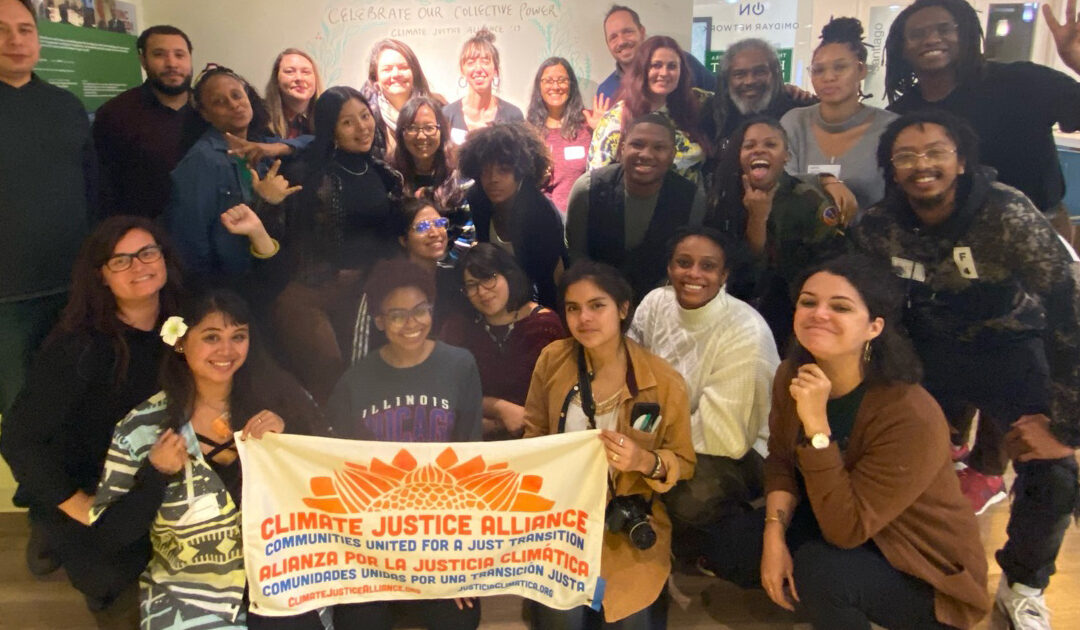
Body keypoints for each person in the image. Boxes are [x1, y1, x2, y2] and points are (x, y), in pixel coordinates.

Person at [851, 110, 1080, 629]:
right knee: (880, 447)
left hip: (1010, 347)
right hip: (924, 351)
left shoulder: (1006, 214)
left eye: (935, 152)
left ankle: (1024, 585)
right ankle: (902, 560)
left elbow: (1069, 305)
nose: (921, 164)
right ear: (892, 168)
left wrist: (1067, 427)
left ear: (961, 161)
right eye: (906, 156)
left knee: (1054, 471)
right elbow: (867, 303)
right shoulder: (880, 225)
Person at [708, 254, 989, 629]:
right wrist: (774, 537)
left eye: (840, 307)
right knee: (732, 544)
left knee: (822, 572)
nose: (819, 314)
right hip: (840, 515)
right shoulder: (793, 373)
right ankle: (830, 596)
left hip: (920, 561)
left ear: (874, 327)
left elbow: (846, 530)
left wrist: (816, 426)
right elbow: (780, 462)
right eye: (808, 302)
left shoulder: (909, 413)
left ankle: (844, 598)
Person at [89, 289, 323, 630]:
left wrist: (290, 442)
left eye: (238, 337)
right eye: (211, 337)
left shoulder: (286, 402)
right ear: (181, 343)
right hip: (189, 596)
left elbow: (336, 486)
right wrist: (156, 474)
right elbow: (109, 536)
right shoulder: (142, 427)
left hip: (285, 581)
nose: (226, 350)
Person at [1, 217, 182, 618]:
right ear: (101, 275)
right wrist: (77, 505)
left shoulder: (182, 323)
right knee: (128, 596)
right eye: (121, 260)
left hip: (159, 480)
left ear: (164, 258)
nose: (139, 266)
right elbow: (19, 439)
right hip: (97, 489)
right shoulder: (77, 348)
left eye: (147, 253)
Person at [523, 260, 695, 628]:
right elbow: (533, 434)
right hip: (561, 522)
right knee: (562, 618)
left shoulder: (663, 381)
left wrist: (644, 461)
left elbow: (684, 461)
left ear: (623, 308)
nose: (584, 318)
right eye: (573, 308)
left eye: (597, 305)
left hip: (625, 527)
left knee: (627, 615)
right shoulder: (553, 360)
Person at [327, 257, 483, 630]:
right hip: (373, 542)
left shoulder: (460, 365)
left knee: (459, 618)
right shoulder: (355, 380)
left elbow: (471, 458)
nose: (411, 323)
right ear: (379, 321)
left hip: (441, 536)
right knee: (359, 621)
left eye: (420, 310)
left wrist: (460, 559)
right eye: (397, 315)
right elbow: (339, 469)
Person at [629, 227, 778, 558]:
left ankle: (716, 544)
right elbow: (634, 373)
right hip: (666, 429)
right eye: (684, 262)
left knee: (687, 497)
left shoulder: (745, 332)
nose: (693, 274)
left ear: (724, 275)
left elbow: (726, 436)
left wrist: (648, 455)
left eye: (708, 266)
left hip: (742, 449)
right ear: (670, 267)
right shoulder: (655, 303)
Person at [884, 0, 1080, 241]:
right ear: (902, 48)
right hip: (943, 238)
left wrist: (1077, 62)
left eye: (944, 29)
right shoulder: (900, 115)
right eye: (917, 34)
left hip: (1037, 232)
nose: (932, 39)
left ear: (965, 34)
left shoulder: (1023, 82)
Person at [271, 86, 403, 403]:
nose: (362, 127)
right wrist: (268, 203)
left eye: (364, 116)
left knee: (362, 379)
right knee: (330, 381)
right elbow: (289, 236)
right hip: (311, 296)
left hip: (362, 292)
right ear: (331, 130)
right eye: (347, 122)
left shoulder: (381, 171)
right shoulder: (309, 175)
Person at [0, 0, 94, 416]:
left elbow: (92, 188)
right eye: (2, 30)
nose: (15, 40)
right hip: (9, 296)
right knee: (23, 407)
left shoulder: (66, 106)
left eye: (25, 30)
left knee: (79, 392)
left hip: (73, 282)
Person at [707, 117, 848, 350]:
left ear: (786, 156)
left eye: (770, 144)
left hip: (793, 313)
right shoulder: (724, 197)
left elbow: (829, 269)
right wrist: (757, 218)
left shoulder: (810, 202)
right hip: (734, 307)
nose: (759, 150)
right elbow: (741, 270)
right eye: (749, 145)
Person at [165, 64, 299, 280]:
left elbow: (312, 142)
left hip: (267, 265)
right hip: (230, 281)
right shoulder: (202, 161)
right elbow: (189, 242)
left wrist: (275, 148)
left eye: (237, 95)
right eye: (219, 102)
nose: (234, 105)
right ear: (205, 114)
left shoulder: (258, 144)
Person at [569, 113, 706, 303]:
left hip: (662, 303)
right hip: (596, 301)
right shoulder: (587, 189)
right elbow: (577, 256)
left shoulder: (691, 199)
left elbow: (686, 264)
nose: (646, 154)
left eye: (659, 148)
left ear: (672, 155)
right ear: (622, 148)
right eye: (637, 144)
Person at [441, 244, 566, 440]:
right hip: (475, 440)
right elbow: (446, 392)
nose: (482, 292)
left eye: (488, 278)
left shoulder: (544, 326)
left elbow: (560, 395)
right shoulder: (459, 328)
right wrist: (499, 409)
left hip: (536, 440)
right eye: (471, 285)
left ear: (508, 275)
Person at [781, 18, 897, 212]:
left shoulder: (890, 127)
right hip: (803, 229)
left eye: (840, 67)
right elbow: (781, 180)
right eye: (818, 70)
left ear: (861, 70)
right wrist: (824, 181)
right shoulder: (794, 122)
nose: (828, 77)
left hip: (871, 230)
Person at [457, 122, 566, 308]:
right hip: (496, 293)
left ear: (521, 171)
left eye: (503, 170)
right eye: (485, 171)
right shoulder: (478, 197)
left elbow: (546, 280)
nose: (493, 179)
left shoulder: (540, 212)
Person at [93, 25, 193, 219]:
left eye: (179, 55)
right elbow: (101, 187)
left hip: (210, 229)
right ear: (143, 60)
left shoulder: (209, 110)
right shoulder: (115, 114)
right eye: (159, 54)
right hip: (145, 230)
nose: (172, 63)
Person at [588, 35, 706, 181]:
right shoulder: (616, 119)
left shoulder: (694, 106)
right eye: (656, 65)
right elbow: (596, 181)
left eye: (672, 66)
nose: (664, 73)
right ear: (642, 69)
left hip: (691, 195)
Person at [704, 38, 815, 151]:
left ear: (774, 73)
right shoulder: (714, 113)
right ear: (727, 78)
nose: (750, 81)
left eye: (760, 72)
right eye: (739, 74)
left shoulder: (798, 107)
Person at [596, 5, 717, 104]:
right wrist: (600, 125)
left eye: (627, 32)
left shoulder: (682, 63)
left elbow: (720, 101)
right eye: (613, 37)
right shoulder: (605, 92)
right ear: (607, 43)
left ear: (642, 32)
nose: (621, 41)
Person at [526, 57, 599, 215]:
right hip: (542, 216)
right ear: (539, 86)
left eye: (562, 80)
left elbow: (605, 168)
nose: (556, 86)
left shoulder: (588, 123)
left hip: (582, 215)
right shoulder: (529, 130)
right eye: (548, 81)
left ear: (571, 84)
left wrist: (600, 132)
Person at [361, 38, 443, 156]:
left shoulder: (438, 108)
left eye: (403, 67)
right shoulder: (366, 117)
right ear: (375, 78)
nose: (396, 74)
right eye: (387, 69)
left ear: (414, 72)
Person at [442, 28, 524, 144]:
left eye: (485, 62)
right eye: (471, 63)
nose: (478, 69)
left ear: (495, 70)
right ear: (462, 70)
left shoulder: (513, 116)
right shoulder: (447, 115)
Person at [263, 47, 322, 139]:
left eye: (306, 72)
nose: (299, 78)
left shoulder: (317, 126)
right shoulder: (259, 117)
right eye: (289, 72)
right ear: (276, 80)